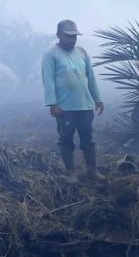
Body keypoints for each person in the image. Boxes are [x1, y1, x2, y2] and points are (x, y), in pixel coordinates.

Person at [42, 19, 104, 178]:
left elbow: (90, 77)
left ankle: (92, 169)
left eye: (74, 36)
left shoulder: (82, 52)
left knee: (88, 139)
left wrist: (97, 99)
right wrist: (53, 103)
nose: (72, 39)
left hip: (85, 104)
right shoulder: (50, 54)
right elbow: (47, 80)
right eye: (68, 36)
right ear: (58, 35)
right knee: (66, 140)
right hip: (65, 107)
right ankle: (71, 171)